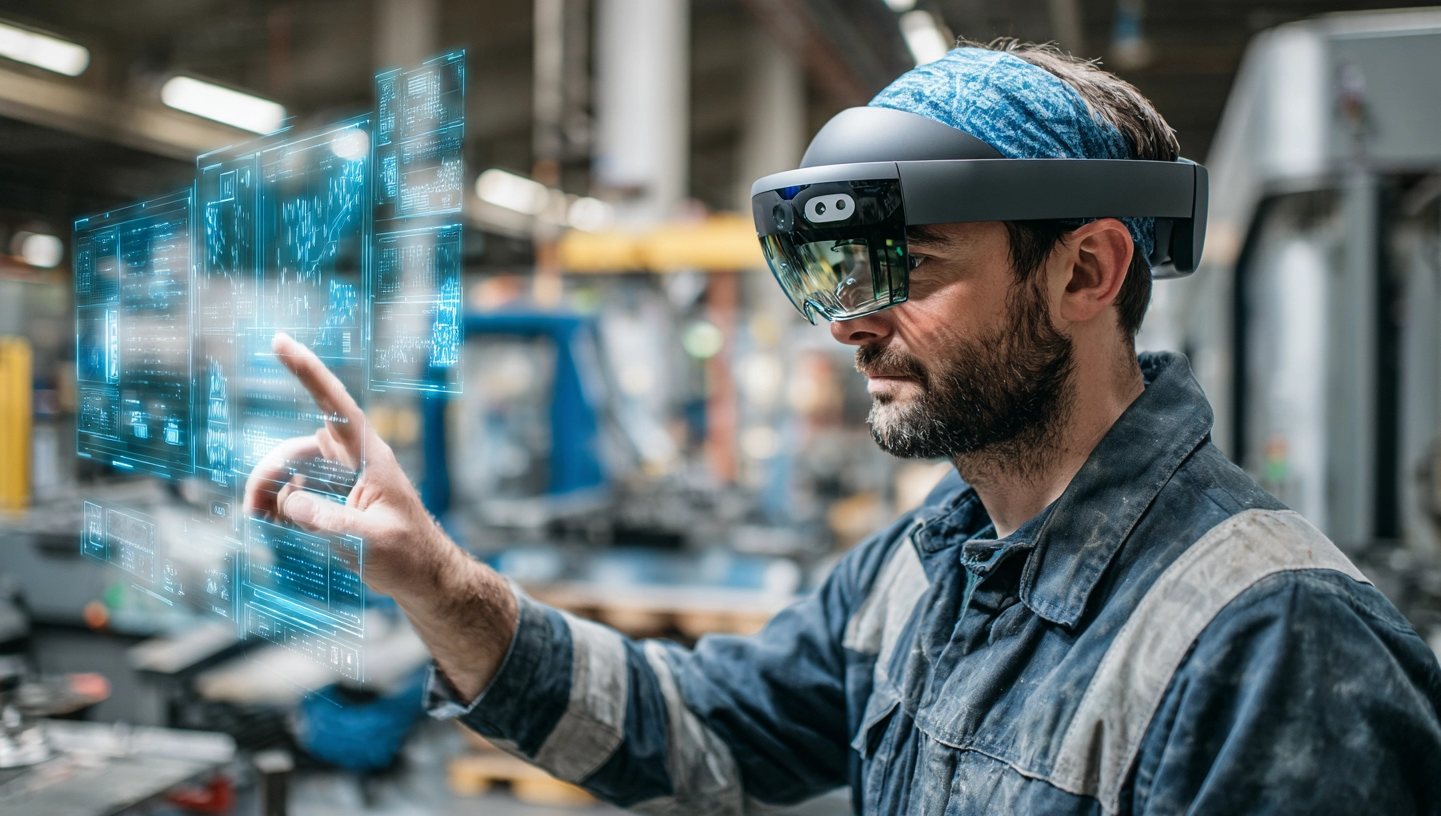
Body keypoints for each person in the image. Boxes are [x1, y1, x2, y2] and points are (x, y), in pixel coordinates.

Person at [245, 40, 1441, 815]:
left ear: (1085, 273)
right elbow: (696, 729)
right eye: (832, 278)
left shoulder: (1273, 644)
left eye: (908, 266)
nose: (850, 324)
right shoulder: (922, 569)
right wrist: (435, 578)